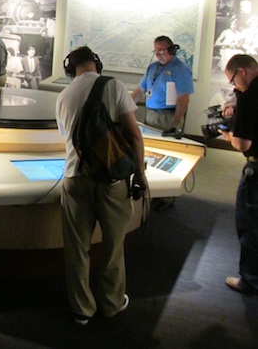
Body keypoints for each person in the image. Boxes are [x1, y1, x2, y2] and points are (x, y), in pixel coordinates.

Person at [55, 46, 145, 325]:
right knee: (113, 244)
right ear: (96, 63)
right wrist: (139, 174)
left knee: (76, 247)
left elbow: (67, 138)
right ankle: (111, 303)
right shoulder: (113, 86)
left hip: (74, 179)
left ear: (71, 69)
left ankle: (82, 309)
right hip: (111, 181)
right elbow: (134, 134)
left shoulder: (62, 96)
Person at [218, 54, 258, 295]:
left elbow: (242, 144)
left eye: (233, 79)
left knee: (250, 223)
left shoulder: (250, 97)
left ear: (242, 71)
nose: (234, 85)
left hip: (256, 169)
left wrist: (228, 136)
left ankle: (250, 280)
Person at [131, 36, 194, 131]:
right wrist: (125, 108)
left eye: (160, 51)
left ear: (171, 50)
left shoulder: (181, 69)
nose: (157, 55)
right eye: (155, 51)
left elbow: (184, 99)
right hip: (149, 115)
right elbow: (139, 91)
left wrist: (175, 122)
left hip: (167, 117)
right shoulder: (152, 68)